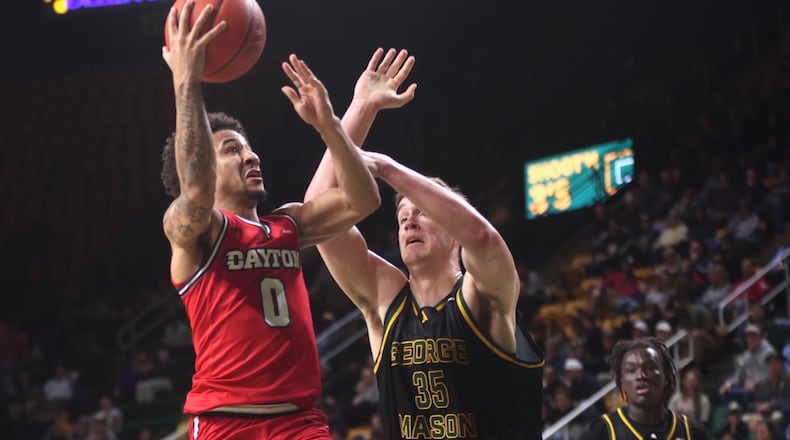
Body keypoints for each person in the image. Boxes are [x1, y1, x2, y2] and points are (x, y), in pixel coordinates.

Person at [159, 2, 413, 438]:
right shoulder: (195, 232)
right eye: (232, 150)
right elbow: (197, 189)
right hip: (227, 422)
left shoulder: (288, 226)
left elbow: (362, 200)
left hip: (299, 420)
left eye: (248, 147)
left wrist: (329, 125)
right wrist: (188, 80)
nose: (251, 155)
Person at [303, 74, 544, 439]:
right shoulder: (385, 297)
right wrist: (356, 113)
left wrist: (386, 169)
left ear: (453, 235)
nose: (409, 221)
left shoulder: (480, 294)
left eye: (422, 213)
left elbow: (481, 236)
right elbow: (317, 214)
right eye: (402, 218)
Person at [580, 338, 712, 440]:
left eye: (649, 368)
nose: (640, 376)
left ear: (666, 377)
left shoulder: (692, 432)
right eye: (631, 370)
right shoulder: (602, 432)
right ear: (622, 382)